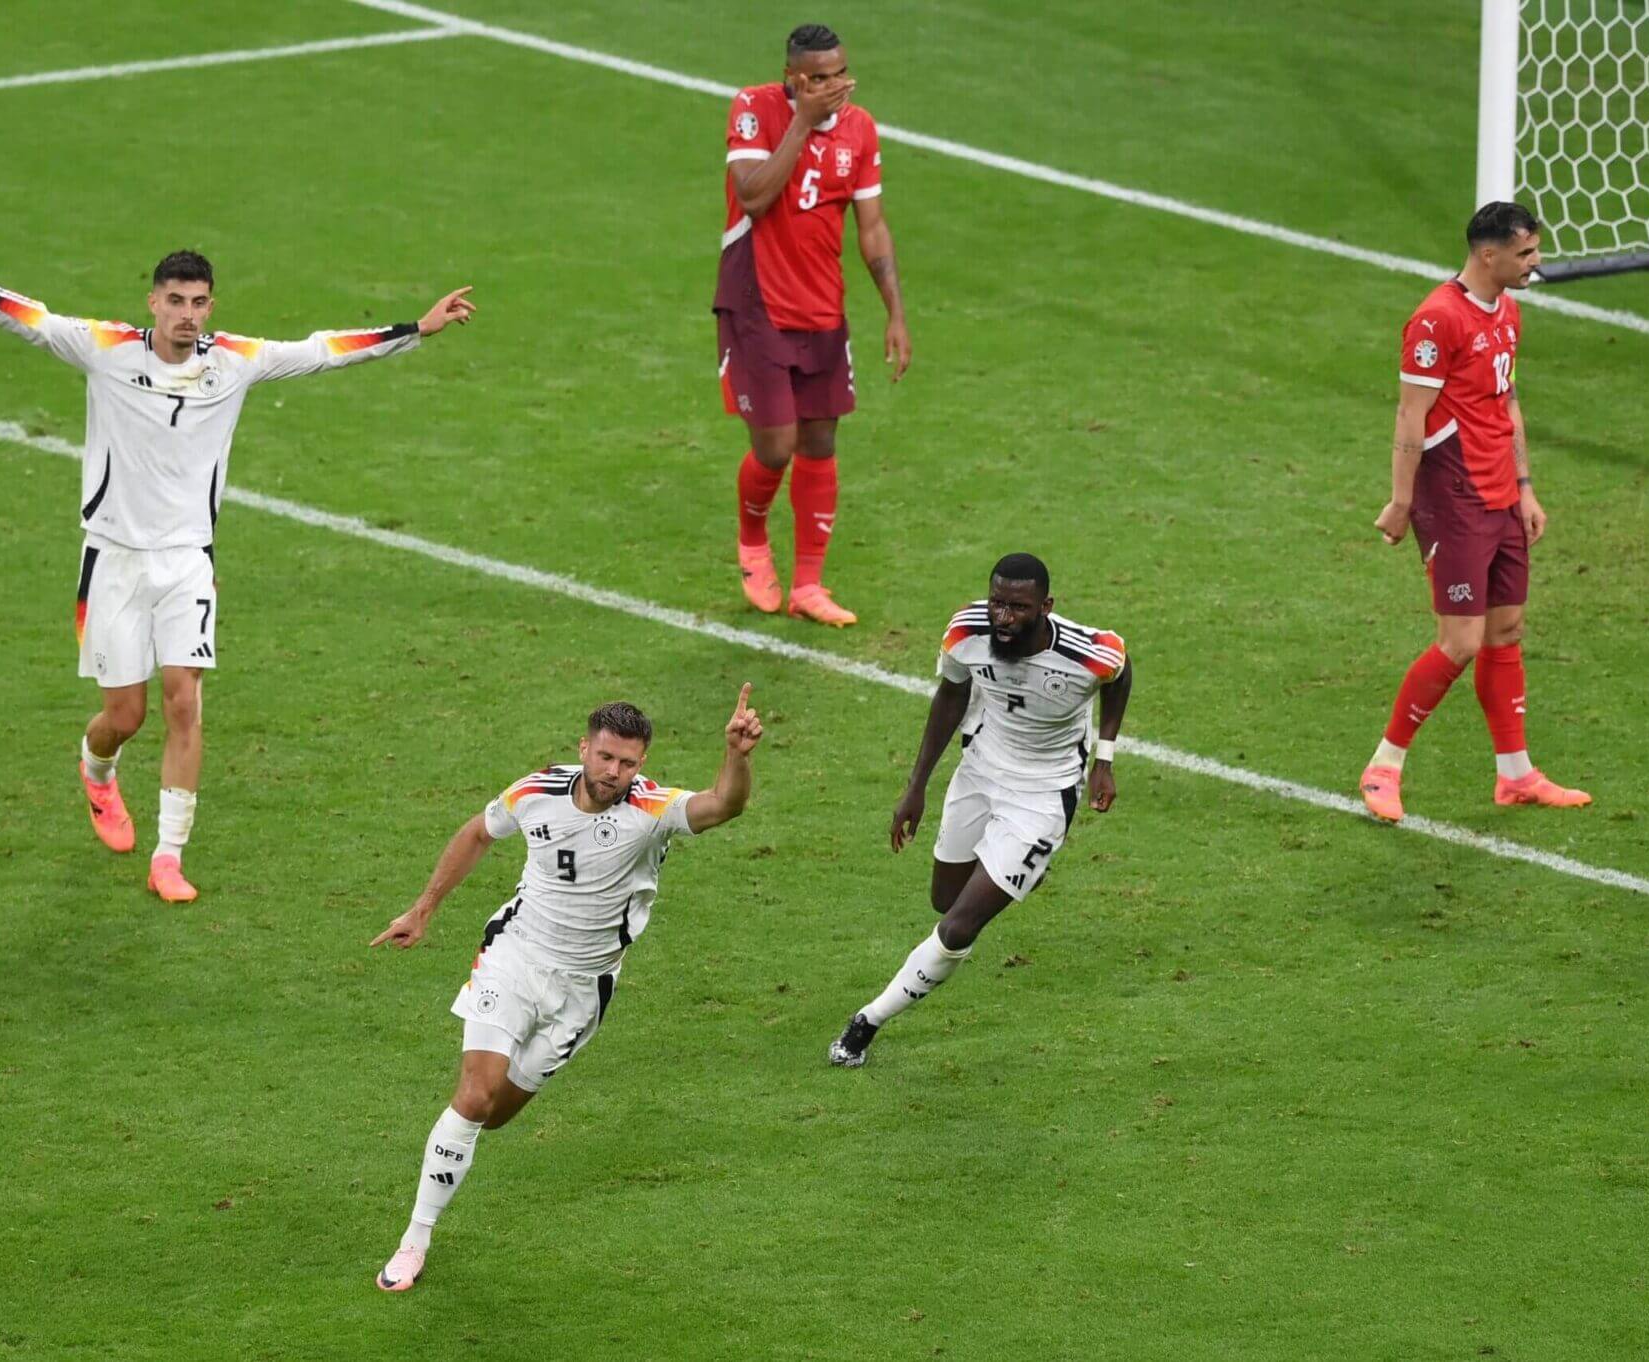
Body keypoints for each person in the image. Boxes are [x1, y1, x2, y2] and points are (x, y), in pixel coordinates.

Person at [0, 238, 476, 901]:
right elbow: (32, 319)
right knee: (124, 717)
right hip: (114, 559)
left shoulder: (235, 361)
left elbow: (323, 349)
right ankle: (98, 773)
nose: (188, 314)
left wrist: (416, 328)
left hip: (187, 561)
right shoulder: (106, 347)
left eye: (199, 303)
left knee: (185, 700)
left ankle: (168, 858)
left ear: (211, 306)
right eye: (176, 302)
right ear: (153, 303)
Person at [367, 690, 762, 1291]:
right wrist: (423, 909)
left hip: (583, 990)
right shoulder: (536, 792)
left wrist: (736, 756)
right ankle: (413, 1241)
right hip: (516, 956)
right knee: (473, 1097)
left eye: (629, 763)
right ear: (585, 748)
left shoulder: (651, 808)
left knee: (494, 1116)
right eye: (606, 758)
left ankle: (448, 1167)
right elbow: (477, 833)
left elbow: (723, 805)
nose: (615, 773)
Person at [830, 556, 1129, 1067]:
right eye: (997, 602)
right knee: (944, 900)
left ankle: (866, 1024)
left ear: (1046, 608)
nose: (1003, 617)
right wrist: (916, 786)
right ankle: (1013, 872)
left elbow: (1120, 677)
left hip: (1042, 795)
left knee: (959, 926)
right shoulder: (965, 633)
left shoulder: (1089, 653)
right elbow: (950, 694)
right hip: (980, 771)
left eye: (1018, 607)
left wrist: (1104, 758)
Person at [1360, 202, 1590, 822]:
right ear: (1489, 254)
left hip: (1500, 495)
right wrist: (1403, 502)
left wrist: (1526, 488)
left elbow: (1506, 400)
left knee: (1506, 630)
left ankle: (1515, 775)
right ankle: (1384, 765)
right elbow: (1410, 416)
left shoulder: (1508, 311)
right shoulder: (1437, 321)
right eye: (1526, 254)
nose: (1536, 263)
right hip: (1453, 496)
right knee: (1459, 641)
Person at [716, 22, 911, 628]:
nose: (836, 87)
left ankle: (808, 585)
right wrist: (802, 121)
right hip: (757, 302)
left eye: (840, 74)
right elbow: (751, 196)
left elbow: (872, 228)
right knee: (776, 445)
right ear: (793, 78)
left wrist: (895, 312)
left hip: (823, 308)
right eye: (821, 78)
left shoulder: (861, 128)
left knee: (821, 442)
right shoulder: (755, 108)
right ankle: (753, 541)